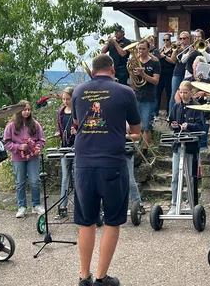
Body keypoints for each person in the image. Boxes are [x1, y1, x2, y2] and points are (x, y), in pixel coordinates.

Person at [71, 54, 141, 286]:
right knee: (112, 221)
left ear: (93, 71)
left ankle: (84, 277)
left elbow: (76, 122)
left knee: (86, 221)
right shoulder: (125, 92)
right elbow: (137, 128)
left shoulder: (78, 92)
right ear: (112, 68)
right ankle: (101, 278)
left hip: (83, 162)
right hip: (112, 162)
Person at [4, 101, 46, 218]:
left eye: (28, 110)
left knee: (35, 181)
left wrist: (37, 148)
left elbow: (41, 140)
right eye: (24, 110)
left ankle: (36, 205)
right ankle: (22, 206)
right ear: (18, 111)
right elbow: (7, 143)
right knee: (20, 182)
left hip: (33, 157)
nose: (26, 112)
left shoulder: (35, 124)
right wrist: (19, 147)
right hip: (18, 158)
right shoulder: (11, 126)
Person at [168, 81, 203, 215]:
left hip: (191, 146)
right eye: (181, 92)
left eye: (185, 92)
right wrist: (174, 126)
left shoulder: (197, 107)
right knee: (175, 176)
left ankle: (191, 203)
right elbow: (170, 122)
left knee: (190, 176)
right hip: (178, 144)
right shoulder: (176, 106)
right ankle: (174, 204)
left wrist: (189, 125)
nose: (183, 95)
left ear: (191, 92)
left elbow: (200, 126)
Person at [133, 39, 161, 161]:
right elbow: (132, 79)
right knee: (133, 125)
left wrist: (143, 75)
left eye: (143, 49)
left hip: (148, 97)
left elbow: (156, 81)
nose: (141, 51)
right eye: (139, 49)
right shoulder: (135, 61)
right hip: (135, 95)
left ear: (148, 49)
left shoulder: (154, 62)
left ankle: (145, 150)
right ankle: (134, 149)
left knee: (146, 126)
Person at [54, 87, 76, 219]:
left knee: (78, 176)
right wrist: (58, 132)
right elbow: (59, 126)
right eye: (63, 99)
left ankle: (80, 206)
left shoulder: (77, 111)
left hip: (76, 146)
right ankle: (63, 206)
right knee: (65, 177)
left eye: (68, 99)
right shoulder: (60, 112)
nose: (65, 101)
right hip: (64, 146)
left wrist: (76, 131)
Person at [169, 31, 191, 113]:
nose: (182, 40)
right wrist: (175, 50)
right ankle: (171, 114)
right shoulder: (177, 48)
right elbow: (173, 60)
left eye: (184, 38)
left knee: (185, 94)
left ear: (188, 39)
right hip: (177, 72)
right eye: (180, 38)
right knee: (174, 94)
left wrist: (185, 50)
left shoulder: (191, 48)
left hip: (187, 73)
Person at [153, 33, 175, 118]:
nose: (165, 41)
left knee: (169, 93)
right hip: (160, 73)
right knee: (157, 93)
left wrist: (164, 56)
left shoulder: (173, 49)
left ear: (170, 40)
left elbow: (173, 61)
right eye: (164, 40)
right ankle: (155, 112)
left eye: (167, 40)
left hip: (169, 73)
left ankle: (169, 111)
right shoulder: (161, 49)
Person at [125, 124, 145, 215]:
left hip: (126, 151)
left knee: (129, 179)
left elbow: (136, 135)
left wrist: (123, 135)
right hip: (110, 151)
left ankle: (138, 204)